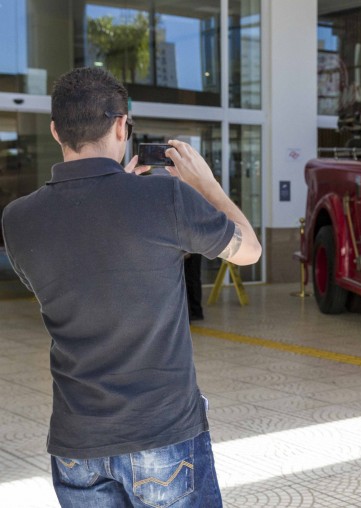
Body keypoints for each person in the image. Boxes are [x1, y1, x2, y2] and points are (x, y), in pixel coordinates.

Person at [1, 67, 261, 507]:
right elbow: (249, 250)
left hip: (76, 444)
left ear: (55, 130)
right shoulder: (165, 199)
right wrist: (207, 185)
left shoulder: (17, 219)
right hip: (162, 434)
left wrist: (118, 193)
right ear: (122, 125)